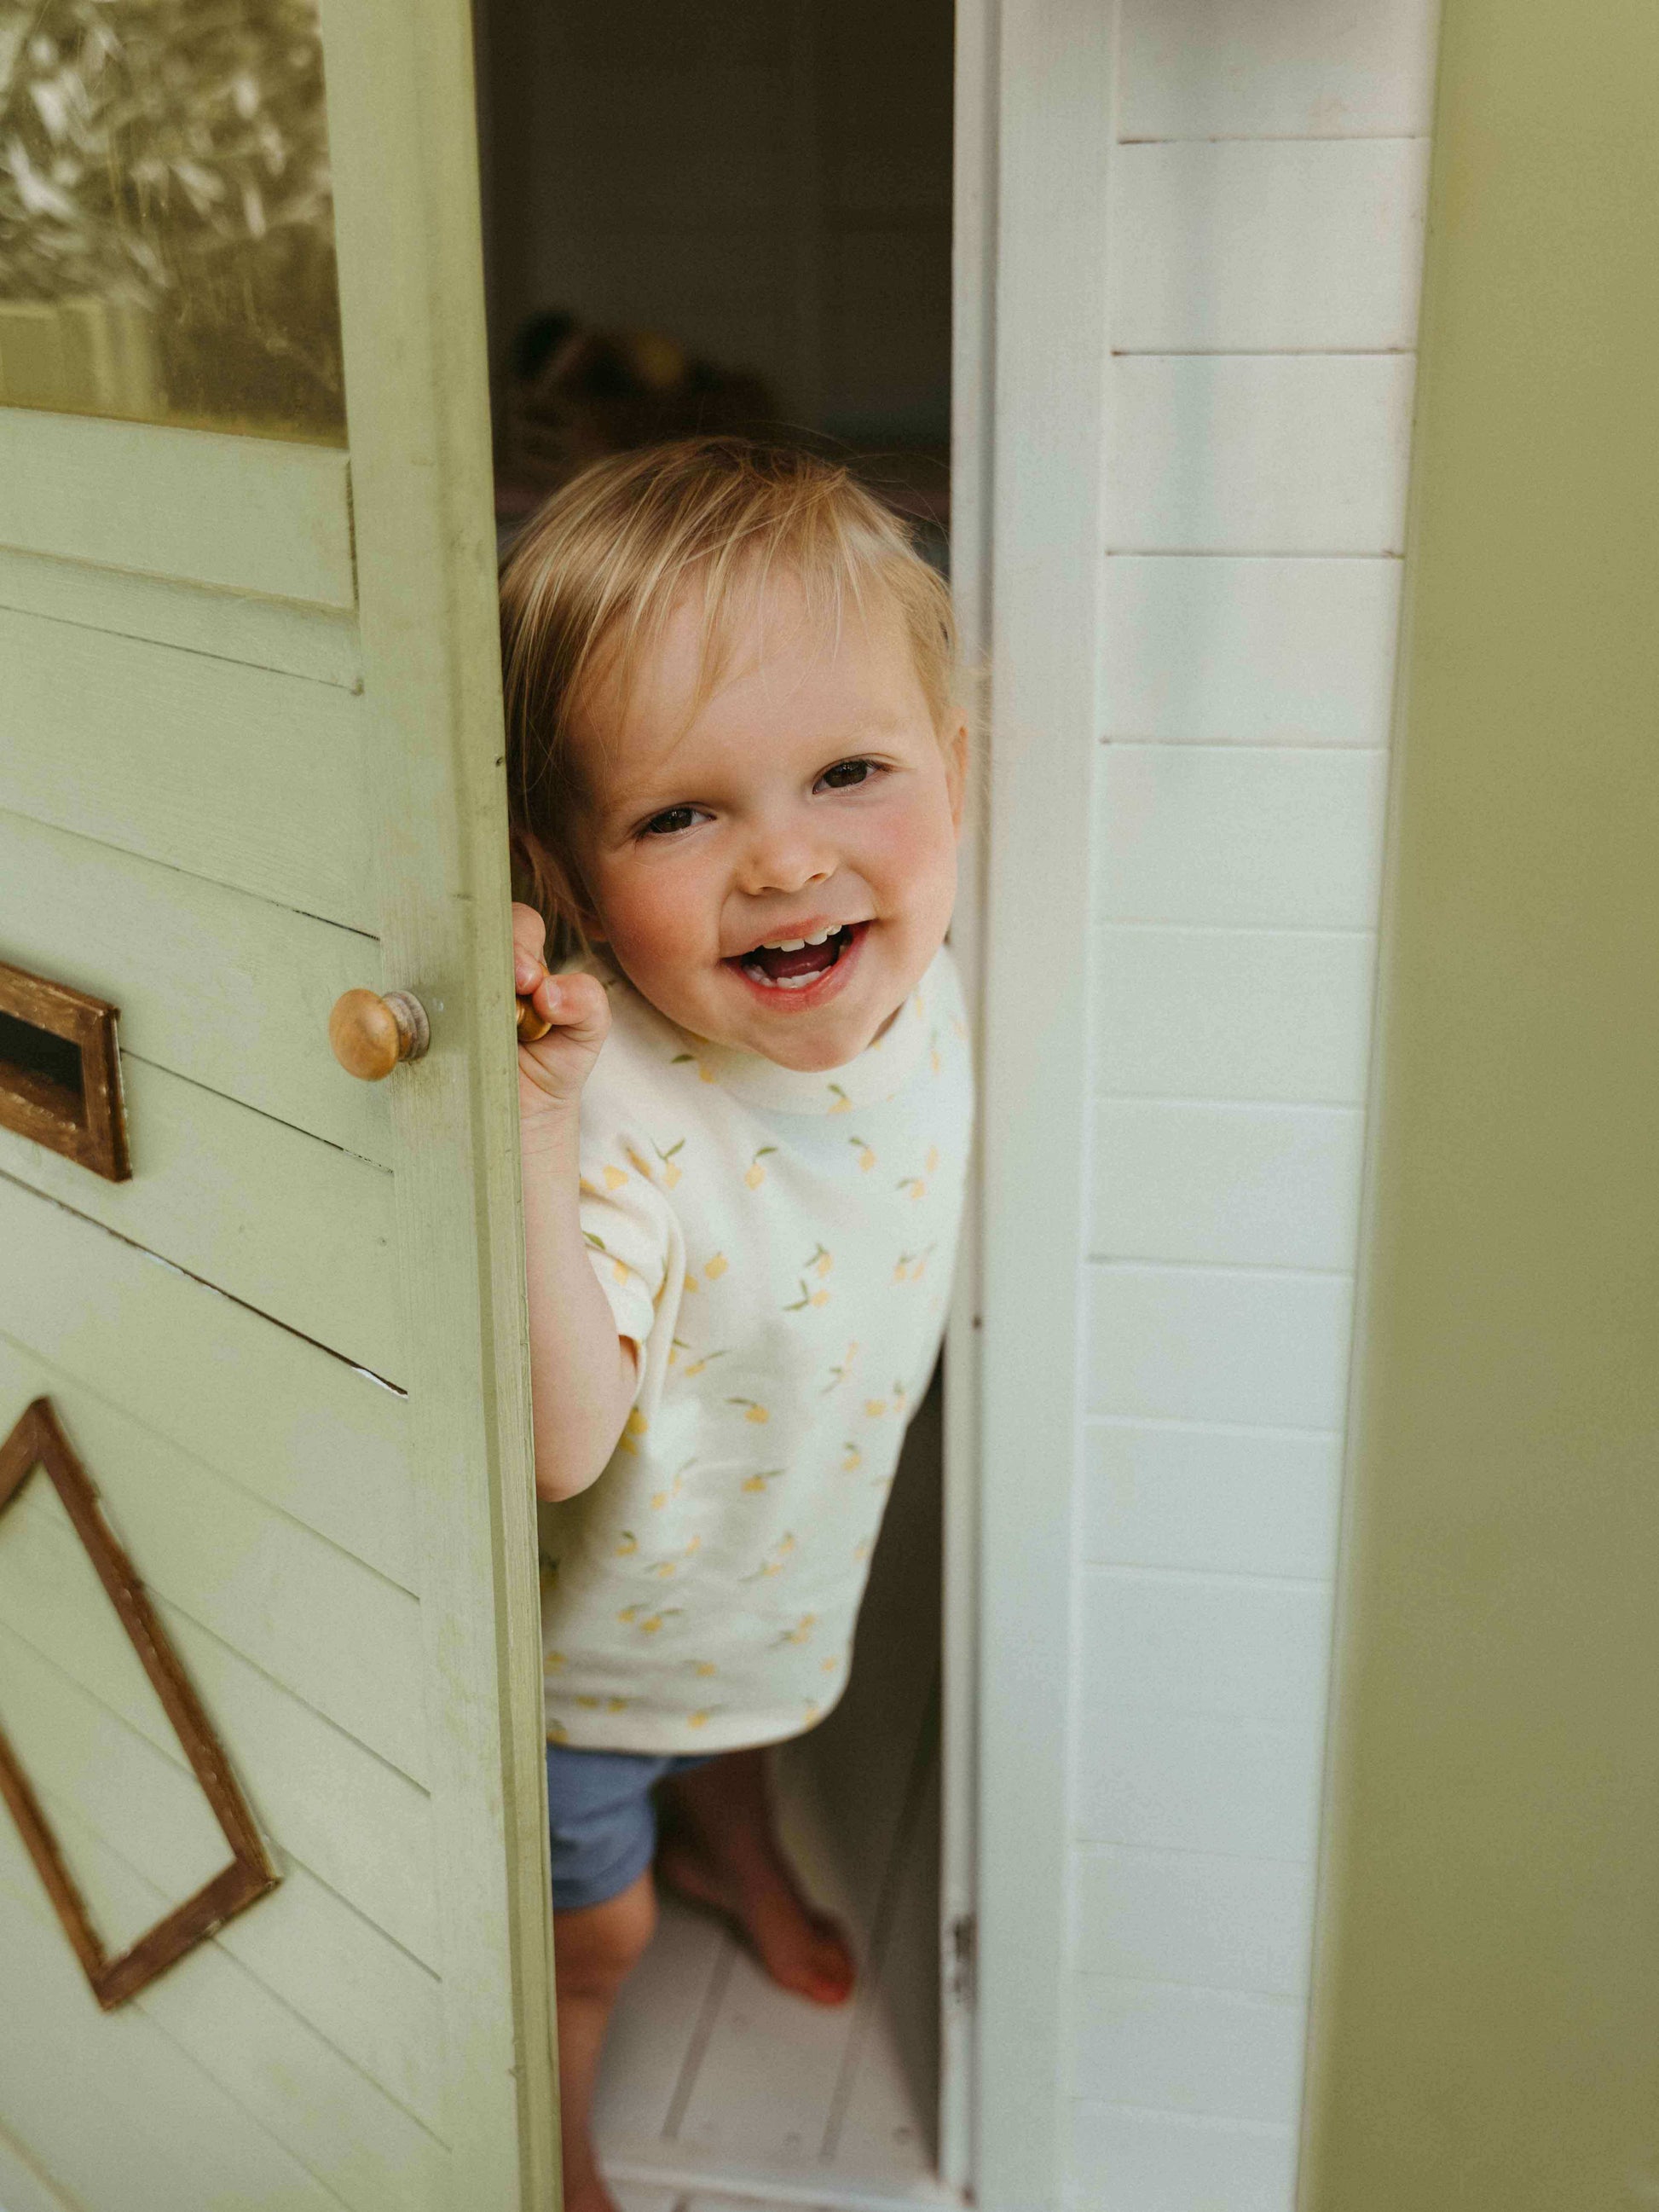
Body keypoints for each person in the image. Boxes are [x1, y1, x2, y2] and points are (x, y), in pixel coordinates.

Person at [500, 437, 973, 2212]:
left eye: (849, 770)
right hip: (589, 1648)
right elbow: (558, 1447)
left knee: (756, 1703)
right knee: (588, 1932)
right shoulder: (617, 1107)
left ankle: (737, 1842)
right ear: (566, 864)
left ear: (957, 773)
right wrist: (539, 1133)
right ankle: (549, 2142)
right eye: (681, 814)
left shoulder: (906, 946)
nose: (785, 859)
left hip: (768, 1544)